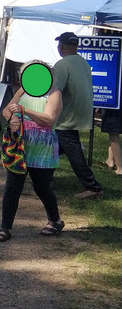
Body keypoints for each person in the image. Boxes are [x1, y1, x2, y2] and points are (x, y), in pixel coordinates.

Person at [0, 65, 65, 241]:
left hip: (42, 149)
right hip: (19, 147)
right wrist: (14, 117)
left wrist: (25, 111)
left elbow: (49, 119)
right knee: (12, 187)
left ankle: (55, 220)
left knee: (42, 187)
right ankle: (5, 228)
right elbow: (6, 110)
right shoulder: (23, 91)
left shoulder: (54, 94)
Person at [52, 32, 103, 199]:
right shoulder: (83, 62)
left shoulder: (62, 64)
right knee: (53, 147)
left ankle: (92, 186)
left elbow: (54, 90)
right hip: (82, 112)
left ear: (63, 47)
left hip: (67, 116)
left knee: (72, 150)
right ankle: (42, 177)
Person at [101, 106, 122, 178]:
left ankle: (120, 169)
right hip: (112, 106)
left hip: (114, 108)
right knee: (112, 133)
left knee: (113, 135)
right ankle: (110, 161)